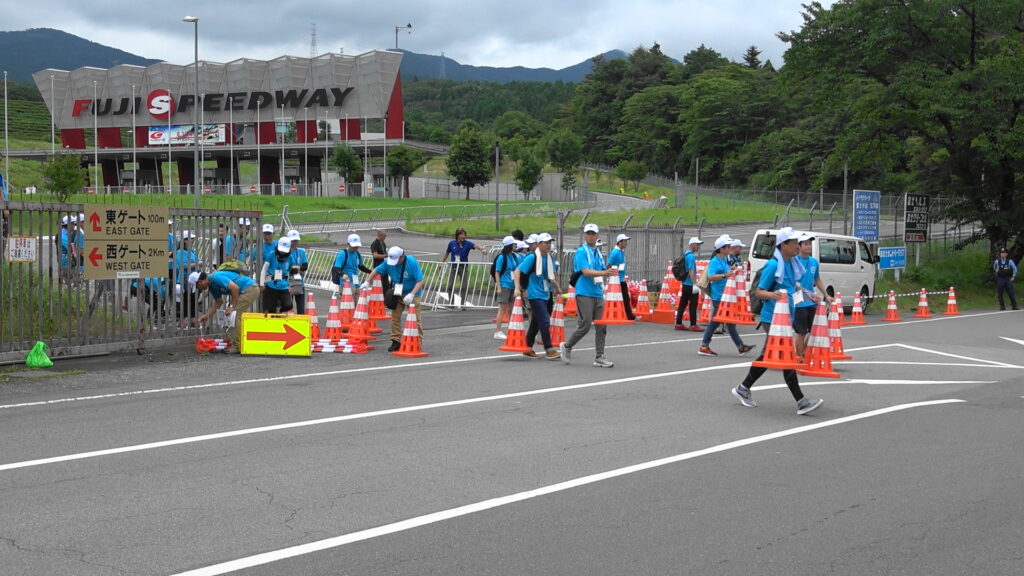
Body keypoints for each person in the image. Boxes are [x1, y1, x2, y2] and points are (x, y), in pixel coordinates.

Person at [731, 227, 823, 415]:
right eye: (795, 243)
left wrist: (808, 293)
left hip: (783, 317)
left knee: (768, 357)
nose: (798, 246)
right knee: (785, 355)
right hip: (771, 318)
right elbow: (759, 291)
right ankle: (801, 401)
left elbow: (790, 285)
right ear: (784, 245)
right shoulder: (774, 265)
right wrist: (773, 295)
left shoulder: (791, 262)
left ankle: (743, 388)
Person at [561, 223, 618, 368]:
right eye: (588, 233)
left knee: (601, 326)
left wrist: (608, 269)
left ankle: (600, 356)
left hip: (598, 292)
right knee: (585, 325)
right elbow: (586, 272)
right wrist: (605, 273)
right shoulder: (581, 252)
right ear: (585, 235)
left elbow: (599, 269)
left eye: (593, 234)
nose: (591, 236)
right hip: (584, 292)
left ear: (597, 236)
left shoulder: (597, 252)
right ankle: (567, 346)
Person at [697, 237, 756, 357]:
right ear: (721, 249)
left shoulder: (723, 260)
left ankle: (740, 346)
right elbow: (711, 276)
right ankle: (704, 346)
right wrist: (725, 275)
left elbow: (725, 272)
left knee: (728, 323)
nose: (730, 248)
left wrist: (731, 270)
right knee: (717, 322)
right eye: (728, 247)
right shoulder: (715, 261)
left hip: (725, 295)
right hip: (719, 296)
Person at [363, 246, 425, 352]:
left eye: (396, 260)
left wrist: (411, 294)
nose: (394, 263)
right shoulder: (388, 262)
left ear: (402, 256)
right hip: (398, 292)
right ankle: (395, 341)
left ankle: (417, 341)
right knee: (395, 318)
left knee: (416, 320)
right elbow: (376, 270)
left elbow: (420, 280)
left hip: (413, 293)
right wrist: (367, 281)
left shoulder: (411, 262)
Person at [514, 232, 562, 360]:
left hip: (545, 292)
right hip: (534, 293)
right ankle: (549, 349)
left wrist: (557, 287)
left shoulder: (550, 258)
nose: (548, 245)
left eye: (550, 243)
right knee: (545, 320)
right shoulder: (532, 257)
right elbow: (518, 271)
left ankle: (528, 347)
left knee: (535, 322)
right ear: (539, 244)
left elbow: (550, 276)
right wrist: (517, 288)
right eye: (546, 243)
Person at [195, 268, 261, 354]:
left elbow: (235, 288)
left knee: (234, 315)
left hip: (250, 289)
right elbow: (218, 302)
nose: (200, 290)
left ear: (200, 282)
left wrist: (232, 306)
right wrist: (207, 315)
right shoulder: (211, 286)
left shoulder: (216, 277)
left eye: (198, 287)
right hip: (244, 291)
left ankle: (237, 345)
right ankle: (239, 342)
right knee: (235, 316)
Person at [793, 232, 832, 357]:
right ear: (799, 246)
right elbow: (793, 282)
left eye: (810, 244)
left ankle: (804, 351)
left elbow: (817, 279)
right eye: (805, 244)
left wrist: (826, 295)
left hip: (812, 301)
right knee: (801, 332)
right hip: (798, 301)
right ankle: (799, 357)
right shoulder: (794, 261)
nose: (808, 246)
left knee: (814, 330)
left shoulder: (814, 262)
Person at [442, 227, 486, 309]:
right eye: (461, 234)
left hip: (463, 267)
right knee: (450, 286)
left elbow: (476, 246)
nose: (463, 236)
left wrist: (482, 249)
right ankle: (451, 304)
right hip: (454, 266)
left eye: (464, 235)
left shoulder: (467, 243)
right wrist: (442, 262)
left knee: (464, 286)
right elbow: (447, 253)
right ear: (457, 235)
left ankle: (463, 304)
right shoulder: (451, 243)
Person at [492, 235, 519, 340]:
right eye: (514, 244)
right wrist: (498, 286)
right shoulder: (501, 257)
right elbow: (497, 272)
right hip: (504, 285)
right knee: (502, 309)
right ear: (509, 245)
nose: (515, 246)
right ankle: (498, 331)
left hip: (512, 285)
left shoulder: (513, 256)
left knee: (511, 308)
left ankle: (510, 329)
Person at [675, 237, 703, 332]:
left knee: (683, 303)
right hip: (690, 284)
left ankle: (678, 323)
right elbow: (691, 270)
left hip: (685, 283)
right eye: (697, 244)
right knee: (693, 304)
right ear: (692, 244)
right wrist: (694, 284)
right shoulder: (691, 256)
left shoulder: (685, 253)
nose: (698, 246)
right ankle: (693, 324)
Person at [174, 231, 202, 324]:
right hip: (185, 280)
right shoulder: (180, 252)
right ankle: (185, 320)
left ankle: (192, 319)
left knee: (193, 300)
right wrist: (197, 264)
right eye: (191, 239)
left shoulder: (191, 251)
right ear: (185, 240)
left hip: (194, 280)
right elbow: (183, 266)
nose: (193, 240)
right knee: (188, 300)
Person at [607, 233, 637, 320]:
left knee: (624, 297)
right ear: (620, 242)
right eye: (625, 241)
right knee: (625, 297)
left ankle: (625, 315)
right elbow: (609, 264)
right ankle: (629, 316)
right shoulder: (615, 253)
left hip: (620, 278)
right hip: (617, 279)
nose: (626, 243)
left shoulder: (620, 252)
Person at [260, 237, 294, 314]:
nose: (282, 252)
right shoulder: (272, 254)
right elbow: (264, 269)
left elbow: (289, 272)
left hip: (284, 285)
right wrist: (262, 284)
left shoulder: (290, 257)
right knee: (270, 309)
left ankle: (279, 311)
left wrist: (290, 285)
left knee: (288, 305)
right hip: (271, 284)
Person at [287, 230, 309, 314]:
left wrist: (297, 268)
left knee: (301, 307)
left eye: (296, 240)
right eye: (292, 241)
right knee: (287, 306)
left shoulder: (301, 252)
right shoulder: (285, 251)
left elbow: (305, 266)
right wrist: (296, 268)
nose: (294, 242)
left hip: (299, 283)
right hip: (287, 283)